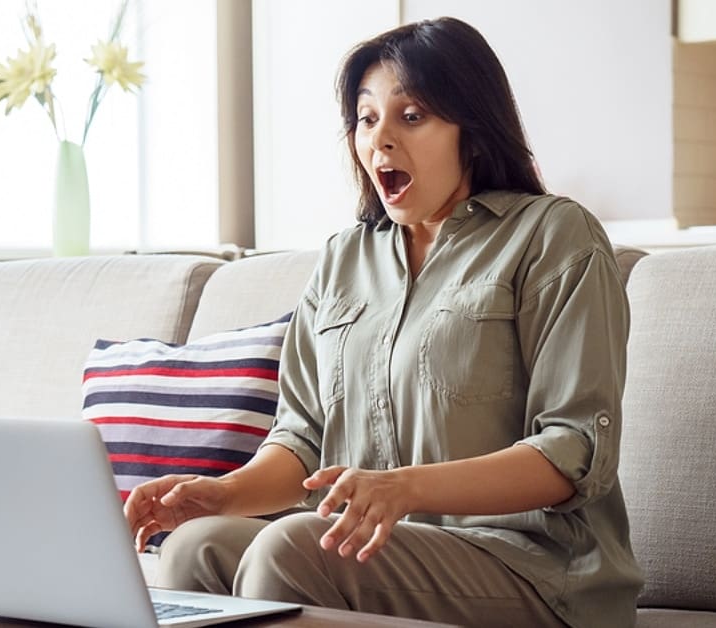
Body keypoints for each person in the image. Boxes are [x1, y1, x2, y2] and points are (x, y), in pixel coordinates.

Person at [124, 16, 643, 628]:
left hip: (534, 567)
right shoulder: (345, 258)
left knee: (291, 548)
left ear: (471, 131)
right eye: (367, 119)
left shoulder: (553, 235)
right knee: (197, 545)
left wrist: (405, 488)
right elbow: (303, 441)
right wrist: (225, 494)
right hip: (378, 551)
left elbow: (572, 451)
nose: (380, 140)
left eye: (412, 116)